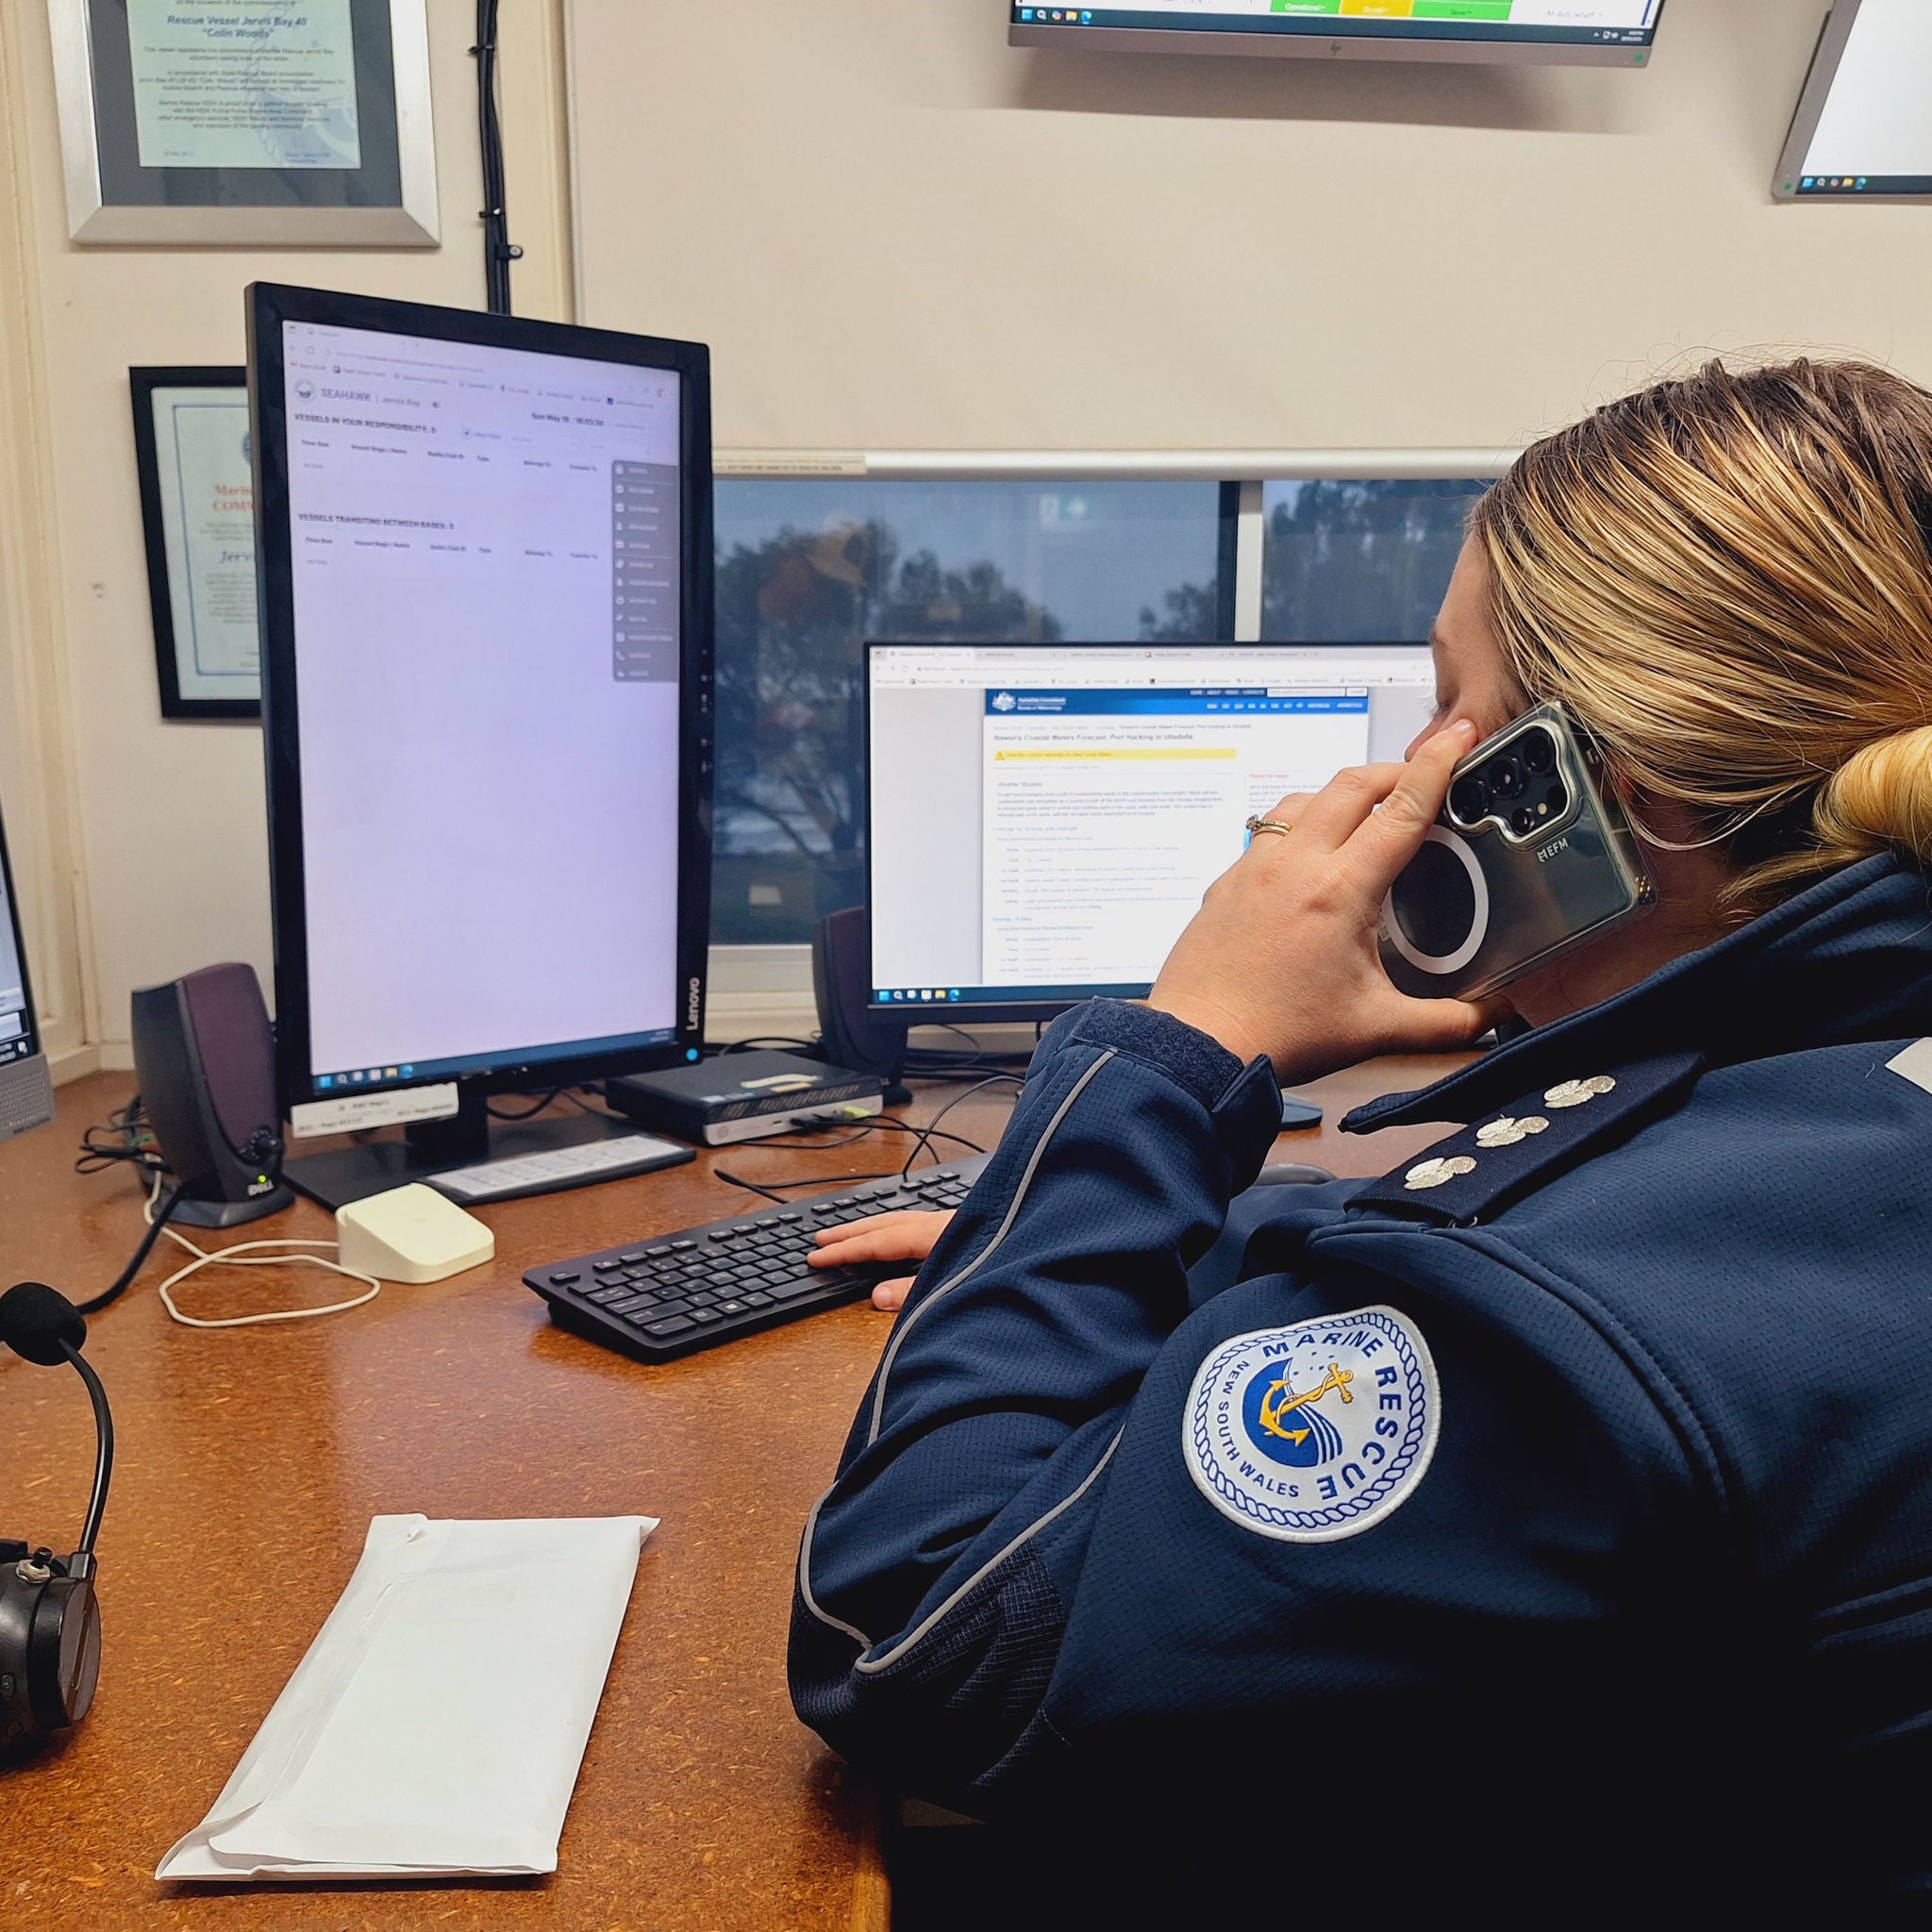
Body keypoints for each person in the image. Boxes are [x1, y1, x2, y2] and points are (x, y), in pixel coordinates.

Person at [788, 358, 1932, 1929]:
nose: (1409, 771)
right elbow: (1572, 1226)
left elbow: (916, 1640)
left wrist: (1183, 1044)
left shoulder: (1591, 1326)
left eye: (1452, 708)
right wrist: (1070, 1246)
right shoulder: (1831, 1102)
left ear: (1606, 796)